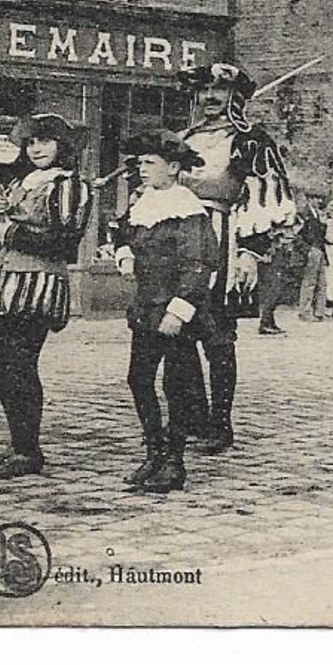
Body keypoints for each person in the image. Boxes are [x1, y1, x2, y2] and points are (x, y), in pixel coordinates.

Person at [177, 62, 296, 455]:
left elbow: (266, 196)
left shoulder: (250, 140)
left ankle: (219, 423)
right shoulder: (182, 140)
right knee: (178, 333)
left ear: (235, 96)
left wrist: (250, 251)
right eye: (204, 90)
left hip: (221, 241)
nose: (210, 98)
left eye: (219, 91)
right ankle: (192, 416)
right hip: (179, 242)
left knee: (216, 336)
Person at [0, 113, 94, 479]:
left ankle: (29, 451)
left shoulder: (70, 186)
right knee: (2, 365)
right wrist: (0, 211)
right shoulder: (24, 181)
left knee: (20, 365)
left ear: (64, 145)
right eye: (30, 142)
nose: (36, 148)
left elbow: (64, 242)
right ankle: (17, 442)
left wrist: (12, 232)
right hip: (9, 279)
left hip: (39, 284)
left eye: (45, 140)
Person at [114, 131, 221, 494]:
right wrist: (125, 253)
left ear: (173, 168)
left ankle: (174, 462)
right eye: (140, 162)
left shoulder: (188, 209)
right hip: (146, 305)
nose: (142, 169)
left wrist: (180, 310)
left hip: (176, 309)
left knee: (176, 385)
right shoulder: (143, 202)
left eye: (150, 163)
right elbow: (122, 233)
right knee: (138, 379)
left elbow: (199, 263)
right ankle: (154, 452)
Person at [294, 191, 328, 321]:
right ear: (309, 199)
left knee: (322, 282)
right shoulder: (303, 214)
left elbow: (321, 233)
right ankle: (305, 312)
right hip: (311, 249)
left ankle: (319, 312)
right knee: (309, 282)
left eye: (319, 198)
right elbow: (296, 235)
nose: (319, 201)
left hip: (320, 249)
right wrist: (306, 250)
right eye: (316, 198)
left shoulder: (318, 214)